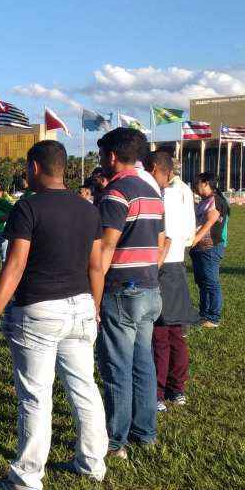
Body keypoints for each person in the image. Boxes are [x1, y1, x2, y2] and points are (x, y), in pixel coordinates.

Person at [0, 141, 108, 490]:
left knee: (35, 397)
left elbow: (14, 267)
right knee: (84, 388)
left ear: (34, 167)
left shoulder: (27, 207)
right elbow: (96, 265)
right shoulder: (88, 209)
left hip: (39, 310)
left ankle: (27, 479)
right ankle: (93, 462)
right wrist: (95, 306)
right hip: (81, 306)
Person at [94, 128, 165, 460]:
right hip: (150, 287)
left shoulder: (116, 193)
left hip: (122, 290)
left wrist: (94, 297)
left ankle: (115, 440)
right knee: (143, 363)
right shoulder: (152, 192)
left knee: (116, 367)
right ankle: (145, 432)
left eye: (100, 155)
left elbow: (106, 248)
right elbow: (162, 240)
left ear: (111, 156)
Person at [143, 152, 198, 411]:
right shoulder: (183, 192)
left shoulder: (164, 195)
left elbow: (164, 237)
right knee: (175, 334)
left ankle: (159, 392)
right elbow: (188, 233)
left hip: (162, 266)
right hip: (175, 265)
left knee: (161, 336)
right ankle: (176, 390)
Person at [189, 172, 229, 328]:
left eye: (196, 183)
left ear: (206, 183)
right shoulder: (204, 201)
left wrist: (196, 238)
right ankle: (204, 313)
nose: (194, 187)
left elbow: (210, 221)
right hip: (200, 249)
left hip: (211, 247)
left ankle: (213, 317)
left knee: (211, 282)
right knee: (202, 281)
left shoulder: (216, 200)